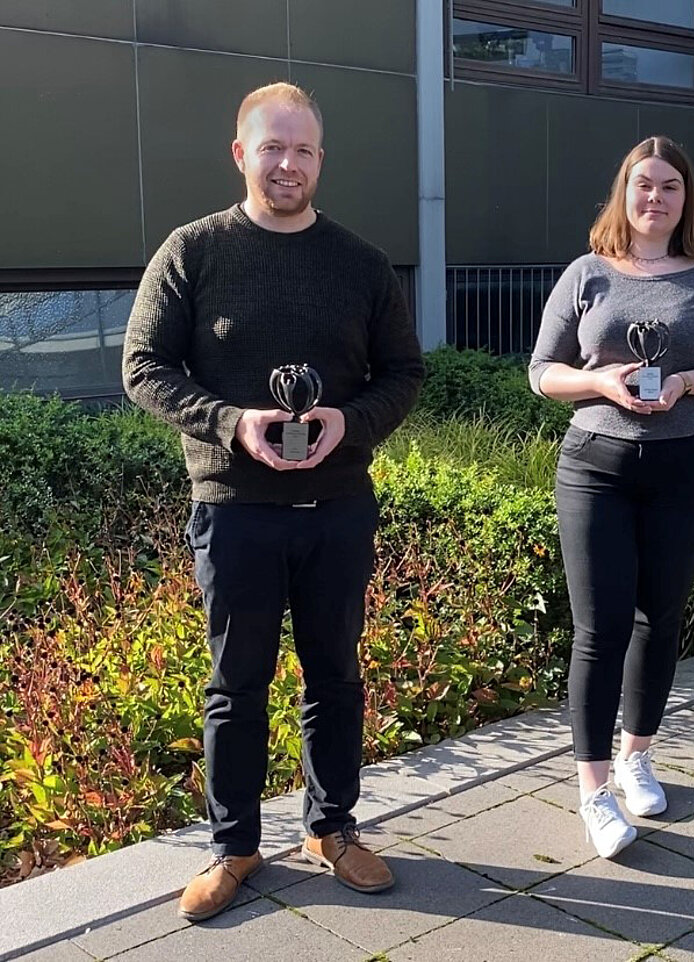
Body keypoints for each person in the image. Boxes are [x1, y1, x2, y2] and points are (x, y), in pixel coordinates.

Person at [123, 82, 424, 919]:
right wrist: (232, 422)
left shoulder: (361, 263)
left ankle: (332, 830)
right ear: (241, 153)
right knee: (237, 684)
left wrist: (347, 422)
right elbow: (143, 365)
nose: (287, 163)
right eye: (272, 148)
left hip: (337, 508)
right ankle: (235, 848)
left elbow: (403, 373)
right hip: (235, 511)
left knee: (335, 674)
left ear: (320, 160)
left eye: (302, 150)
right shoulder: (193, 251)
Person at [529, 136, 694, 858]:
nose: (655, 199)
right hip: (596, 465)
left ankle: (637, 754)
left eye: (668, 186)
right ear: (622, 195)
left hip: (690, 463)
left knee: (659, 619)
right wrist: (599, 383)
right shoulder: (586, 273)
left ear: (685, 197)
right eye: (642, 186)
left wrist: (689, 383)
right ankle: (594, 789)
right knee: (599, 629)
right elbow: (541, 371)